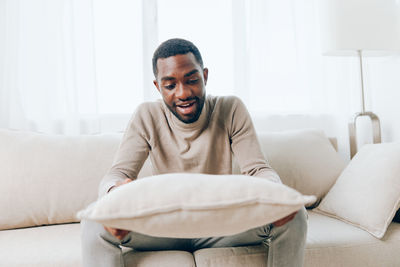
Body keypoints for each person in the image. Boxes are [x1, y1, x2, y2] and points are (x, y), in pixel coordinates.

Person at [81, 38, 307, 267]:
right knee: (93, 219)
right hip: (163, 228)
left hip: (221, 226)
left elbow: (258, 169)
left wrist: (275, 195)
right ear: (158, 87)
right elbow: (117, 173)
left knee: (294, 211)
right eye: (170, 85)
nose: (183, 93)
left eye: (192, 80)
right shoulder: (146, 115)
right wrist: (114, 195)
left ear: (205, 76)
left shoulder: (231, 109)